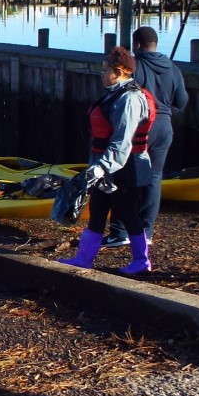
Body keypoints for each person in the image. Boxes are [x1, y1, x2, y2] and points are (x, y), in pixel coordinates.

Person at [59, 46, 156, 275]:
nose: (101, 74)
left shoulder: (130, 99)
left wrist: (100, 169)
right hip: (109, 166)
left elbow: (123, 142)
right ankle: (83, 259)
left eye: (105, 70)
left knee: (127, 211)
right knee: (98, 208)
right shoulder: (116, 93)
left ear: (120, 71)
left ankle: (142, 261)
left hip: (126, 167)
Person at [104, 26, 189, 246]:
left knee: (124, 177)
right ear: (155, 43)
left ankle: (120, 232)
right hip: (164, 127)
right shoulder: (173, 68)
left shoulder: (136, 67)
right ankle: (146, 232)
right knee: (153, 179)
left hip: (141, 127)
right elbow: (181, 102)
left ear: (137, 45)